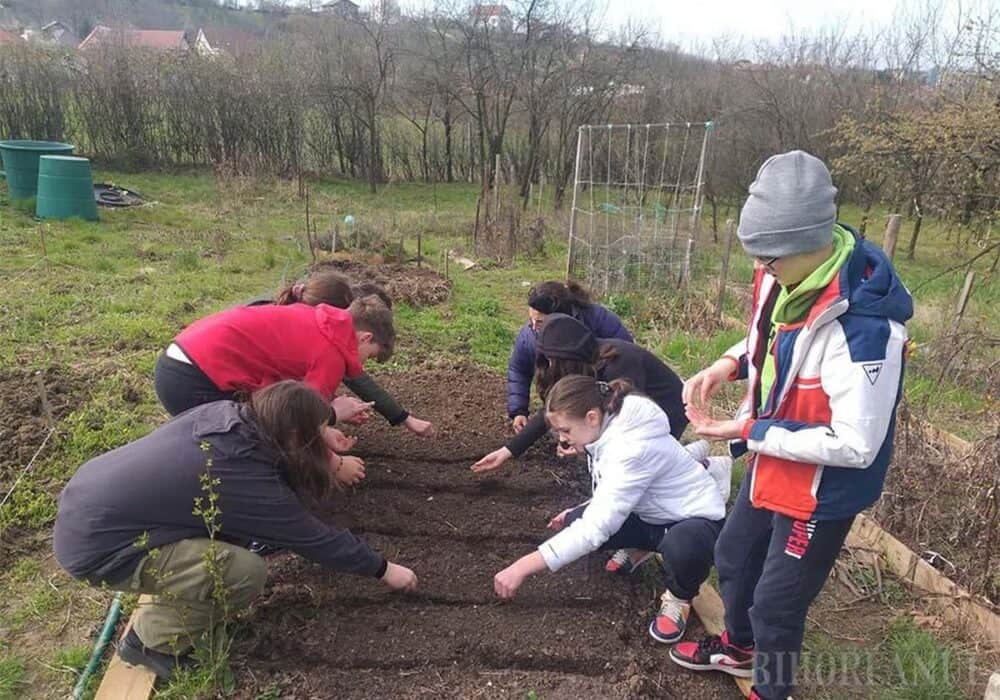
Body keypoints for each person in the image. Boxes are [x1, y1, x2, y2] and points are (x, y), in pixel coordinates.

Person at [669, 151, 912, 700]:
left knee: (778, 599)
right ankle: (740, 645)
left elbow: (856, 445)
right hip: (775, 457)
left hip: (822, 486)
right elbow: (775, 340)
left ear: (809, 242)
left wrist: (747, 431)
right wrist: (727, 365)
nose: (760, 268)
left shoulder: (867, 334)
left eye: (769, 257)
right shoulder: (787, 277)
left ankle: (772, 690)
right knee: (732, 557)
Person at [53, 381, 418, 680]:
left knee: (234, 541)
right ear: (293, 433)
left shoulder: (227, 415)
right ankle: (152, 643)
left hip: (90, 505)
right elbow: (311, 538)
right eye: (314, 434)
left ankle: (179, 594)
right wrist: (384, 569)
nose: (320, 440)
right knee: (243, 571)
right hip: (101, 550)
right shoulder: (238, 472)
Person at [492, 376, 725, 647]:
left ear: (591, 417)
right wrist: (582, 509)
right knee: (575, 520)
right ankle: (643, 547)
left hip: (692, 518)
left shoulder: (630, 448)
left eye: (565, 430)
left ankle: (679, 596)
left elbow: (596, 527)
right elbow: (614, 491)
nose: (562, 440)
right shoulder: (608, 426)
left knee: (684, 546)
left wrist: (521, 567)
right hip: (652, 513)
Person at [157, 268, 435, 439]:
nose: (364, 363)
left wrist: (400, 417)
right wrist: (332, 424)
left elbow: (303, 389)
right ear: (365, 337)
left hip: (179, 359)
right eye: (370, 355)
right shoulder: (330, 349)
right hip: (195, 378)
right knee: (251, 441)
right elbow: (300, 417)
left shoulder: (314, 316)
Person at [474, 314, 688, 472]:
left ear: (567, 357)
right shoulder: (583, 364)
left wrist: (586, 446)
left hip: (668, 410)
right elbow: (555, 409)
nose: (548, 365)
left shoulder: (619, 366)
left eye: (551, 361)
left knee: (645, 464)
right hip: (630, 413)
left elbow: (625, 425)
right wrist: (509, 451)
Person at [507, 281, 632, 433]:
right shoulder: (529, 337)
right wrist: (518, 410)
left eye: (540, 322)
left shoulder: (597, 320)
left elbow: (624, 358)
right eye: (531, 320)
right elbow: (519, 370)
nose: (533, 327)